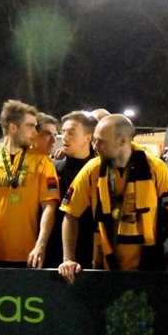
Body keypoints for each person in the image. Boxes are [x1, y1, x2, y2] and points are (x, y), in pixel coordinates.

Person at [58, 114, 168, 282]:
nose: (95, 145)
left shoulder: (156, 168)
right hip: (103, 269)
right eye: (95, 140)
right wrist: (67, 259)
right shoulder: (93, 169)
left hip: (148, 268)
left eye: (101, 141)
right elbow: (70, 215)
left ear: (122, 141)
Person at [0, 99, 59, 268]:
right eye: (30, 126)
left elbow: (49, 207)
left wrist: (40, 245)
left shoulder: (42, 162)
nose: (35, 132)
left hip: (28, 255)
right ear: (13, 128)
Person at [45, 111, 97, 269]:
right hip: (57, 251)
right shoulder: (53, 169)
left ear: (88, 137)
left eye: (71, 133)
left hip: (92, 249)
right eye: (63, 132)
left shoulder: (100, 169)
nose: (64, 137)